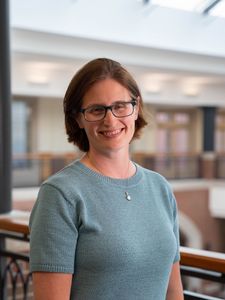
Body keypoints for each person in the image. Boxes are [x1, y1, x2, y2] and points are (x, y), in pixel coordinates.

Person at [29, 58, 184, 300]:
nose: (110, 120)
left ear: (136, 108)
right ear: (78, 118)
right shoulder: (60, 194)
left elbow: (174, 293)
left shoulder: (160, 188)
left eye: (120, 106)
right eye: (96, 110)